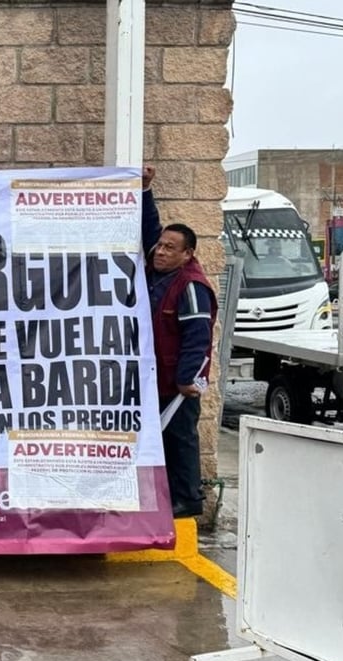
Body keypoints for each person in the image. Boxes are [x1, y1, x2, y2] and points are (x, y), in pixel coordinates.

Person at [141, 167, 218, 518]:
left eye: (170, 249)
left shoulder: (189, 286)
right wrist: (145, 191)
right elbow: (148, 233)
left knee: (181, 439)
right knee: (164, 441)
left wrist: (187, 379)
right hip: (159, 379)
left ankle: (188, 500)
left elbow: (198, 337)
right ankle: (172, 495)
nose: (160, 252)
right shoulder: (159, 274)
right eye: (160, 246)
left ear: (187, 254)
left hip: (179, 384)